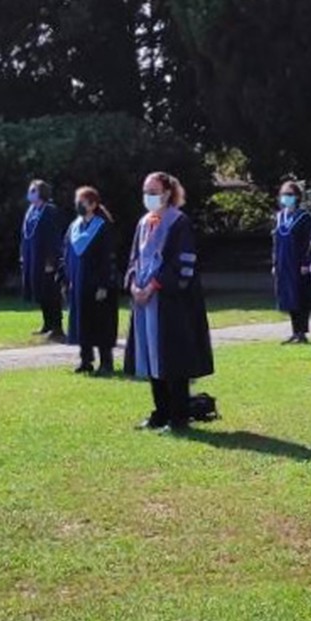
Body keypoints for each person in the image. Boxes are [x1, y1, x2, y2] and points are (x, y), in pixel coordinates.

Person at [126, 172, 215, 432]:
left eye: (153, 191)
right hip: (145, 303)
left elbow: (183, 262)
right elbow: (134, 259)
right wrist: (133, 285)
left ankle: (178, 416)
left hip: (172, 303)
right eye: (146, 191)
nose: (149, 196)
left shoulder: (179, 222)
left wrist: (154, 286)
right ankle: (160, 412)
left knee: (173, 359)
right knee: (152, 358)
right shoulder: (144, 223)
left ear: (166, 193)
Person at [64, 186, 120, 376]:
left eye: (83, 201)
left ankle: (106, 363)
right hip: (78, 283)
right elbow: (66, 253)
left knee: (101, 323)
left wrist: (105, 284)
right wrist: (65, 278)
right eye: (77, 200)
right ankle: (85, 360)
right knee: (82, 323)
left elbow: (108, 257)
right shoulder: (74, 226)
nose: (78, 204)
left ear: (93, 204)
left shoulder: (102, 226)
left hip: (97, 284)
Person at [21, 179, 66, 341]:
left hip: (46, 259)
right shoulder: (32, 210)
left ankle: (57, 327)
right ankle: (47, 324)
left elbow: (54, 237)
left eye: (33, 190)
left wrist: (51, 261)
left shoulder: (49, 211)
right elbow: (25, 235)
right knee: (40, 291)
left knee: (51, 292)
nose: (30, 193)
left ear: (41, 193)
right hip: (33, 257)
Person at [271, 180, 311, 343]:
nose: (286, 197)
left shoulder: (304, 217)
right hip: (284, 262)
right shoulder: (280, 217)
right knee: (288, 297)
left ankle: (302, 332)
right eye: (283, 194)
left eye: (289, 194)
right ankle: (294, 331)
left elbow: (308, 241)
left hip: (298, 263)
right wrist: (275, 263)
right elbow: (276, 242)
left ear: (297, 196)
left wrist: (306, 262)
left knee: (300, 296)